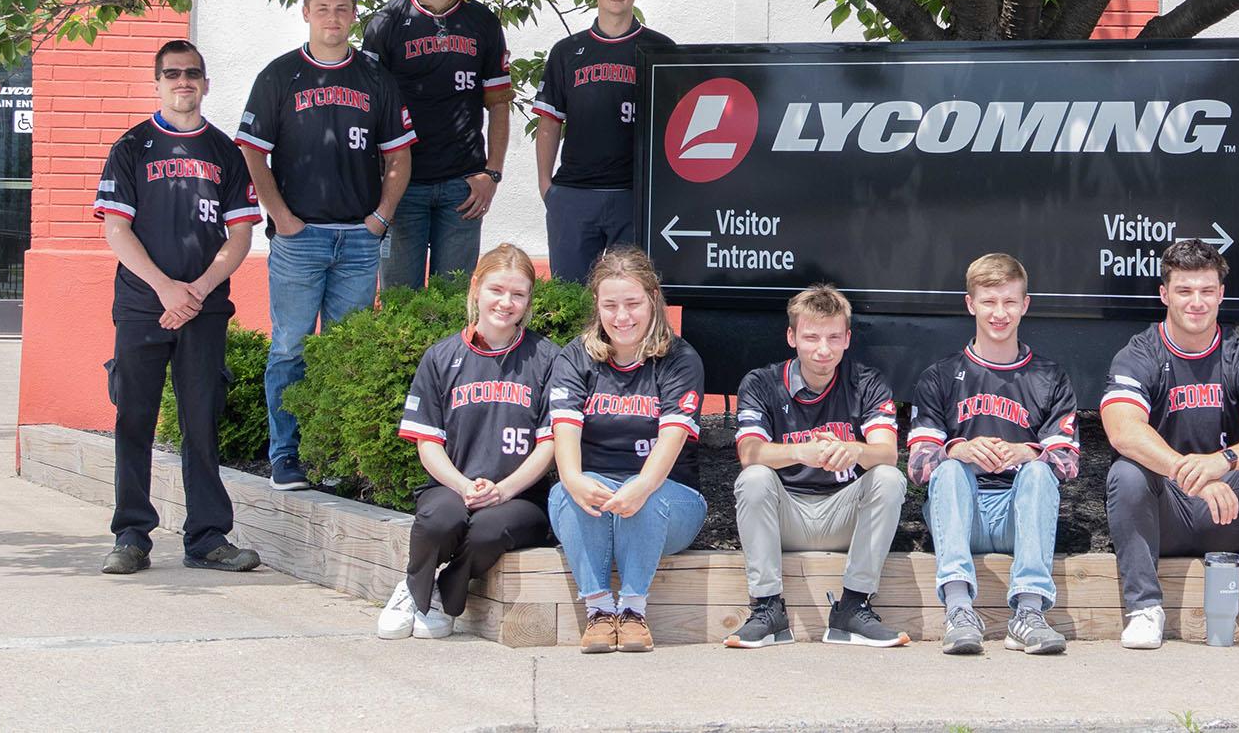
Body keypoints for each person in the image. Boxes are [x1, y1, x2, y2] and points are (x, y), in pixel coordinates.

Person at [237, 0, 415, 490]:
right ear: (306, 13)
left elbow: (399, 154)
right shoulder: (281, 76)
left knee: (344, 352)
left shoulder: (374, 78)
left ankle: (332, 457)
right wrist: (282, 217)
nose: (333, 18)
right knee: (290, 348)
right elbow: (252, 150)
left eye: (342, 9)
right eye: (323, 9)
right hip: (300, 238)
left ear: (353, 16)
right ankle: (285, 456)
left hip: (359, 241)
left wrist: (381, 216)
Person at [93, 40, 264, 575]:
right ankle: (131, 537)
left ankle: (208, 538)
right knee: (134, 418)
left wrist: (198, 291)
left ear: (206, 83)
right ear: (158, 82)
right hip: (144, 306)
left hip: (205, 309)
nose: (183, 81)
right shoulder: (132, 146)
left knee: (202, 421)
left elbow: (239, 237)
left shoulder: (224, 152)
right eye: (172, 74)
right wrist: (167, 288)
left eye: (192, 73)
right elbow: (116, 232)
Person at [1102, 239, 1239, 652]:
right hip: (1167, 512)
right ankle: (1144, 608)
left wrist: (1222, 461)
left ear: (1221, 294)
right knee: (1126, 472)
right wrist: (1193, 474)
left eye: (1207, 291)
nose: (1197, 302)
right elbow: (1122, 429)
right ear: (1164, 294)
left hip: (1228, 511)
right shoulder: (1140, 353)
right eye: (1184, 291)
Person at [384, 244, 559, 639]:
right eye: (497, 290)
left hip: (520, 498)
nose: (506, 302)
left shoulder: (548, 358)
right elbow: (427, 442)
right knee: (442, 518)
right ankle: (413, 590)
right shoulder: (441, 357)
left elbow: (550, 445)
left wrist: (503, 490)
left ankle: (443, 596)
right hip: (452, 485)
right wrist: (463, 486)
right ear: (476, 288)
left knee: (487, 531)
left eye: (518, 294)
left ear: (529, 300)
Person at [907, 253, 1079, 656]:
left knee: (1039, 474)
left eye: (1009, 302)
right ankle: (959, 610)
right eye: (989, 302)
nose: (999, 313)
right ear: (970, 304)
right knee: (948, 471)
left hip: (1018, 515)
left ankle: (1029, 614)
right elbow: (917, 466)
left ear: (1025, 305)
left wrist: (1028, 452)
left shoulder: (1049, 377)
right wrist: (959, 449)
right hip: (958, 515)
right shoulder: (940, 376)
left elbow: (1068, 463)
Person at [726, 284, 908, 649]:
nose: (823, 349)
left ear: (847, 338)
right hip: (785, 515)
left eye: (833, 337)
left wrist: (854, 450)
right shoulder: (761, 383)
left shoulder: (867, 383)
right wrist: (801, 453)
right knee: (755, 478)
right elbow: (749, 452)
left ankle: (853, 608)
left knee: (888, 478)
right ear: (791, 336)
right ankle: (767, 609)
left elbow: (888, 454)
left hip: (843, 514)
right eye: (811, 337)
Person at [547, 247, 709, 653]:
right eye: (610, 305)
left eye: (633, 303)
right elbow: (565, 443)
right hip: (598, 499)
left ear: (653, 298)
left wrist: (639, 488)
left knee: (645, 492)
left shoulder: (680, 359)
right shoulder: (575, 357)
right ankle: (600, 612)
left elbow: (668, 449)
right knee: (565, 493)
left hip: (671, 498)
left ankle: (634, 610)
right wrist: (574, 480)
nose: (622, 317)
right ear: (597, 307)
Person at [361, 0, 512, 288]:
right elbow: (368, 109)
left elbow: (498, 105)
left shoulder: (483, 22)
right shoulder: (386, 22)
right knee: (400, 301)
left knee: (453, 302)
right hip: (402, 183)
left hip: (463, 184)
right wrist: (376, 179)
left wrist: (491, 173)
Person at [533, 0, 671, 282]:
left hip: (634, 194)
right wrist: (546, 186)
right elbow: (549, 123)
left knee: (633, 294)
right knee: (570, 295)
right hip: (574, 193)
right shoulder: (567, 52)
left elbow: (674, 128)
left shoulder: (661, 49)